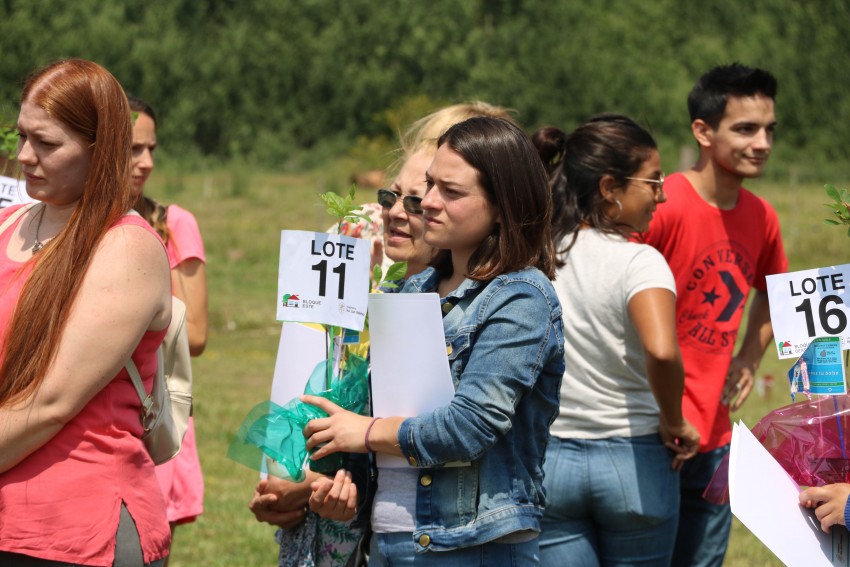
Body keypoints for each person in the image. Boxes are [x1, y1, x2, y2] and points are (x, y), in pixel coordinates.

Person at [249, 102, 516, 567]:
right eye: (394, 196)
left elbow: (462, 431)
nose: (399, 212)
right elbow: (291, 409)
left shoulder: (490, 302)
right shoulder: (351, 248)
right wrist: (293, 487)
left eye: (428, 196)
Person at [301, 116, 565, 566]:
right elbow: (390, 425)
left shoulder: (522, 296)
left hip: (471, 548)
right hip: (389, 541)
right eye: (430, 185)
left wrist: (362, 432)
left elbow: (471, 426)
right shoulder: (413, 288)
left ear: (503, 206)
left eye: (452, 192)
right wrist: (343, 489)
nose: (429, 202)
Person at [0, 59, 171, 566]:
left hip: (71, 531)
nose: (25, 156)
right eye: (21, 136)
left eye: (47, 143)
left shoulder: (125, 247)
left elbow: (51, 401)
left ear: (101, 150)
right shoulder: (10, 223)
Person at [533, 115, 699, 566]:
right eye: (653, 182)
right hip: (634, 461)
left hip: (551, 459)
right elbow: (662, 351)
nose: (660, 196)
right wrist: (673, 419)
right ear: (610, 188)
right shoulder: (640, 262)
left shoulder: (541, 255)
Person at [639, 63, 788, 566]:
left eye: (770, 129)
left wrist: (749, 355)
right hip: (647, 428)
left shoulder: (762, 216)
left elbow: (773, 292)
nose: (763, 142)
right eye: (746, 128)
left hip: (718, 435)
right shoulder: (662, 205)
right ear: (702, 131)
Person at [128, 96, 208, 558]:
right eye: (134, 149)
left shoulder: (174, 225)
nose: (147, 163)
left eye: (152, 149)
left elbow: (195, 334)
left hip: (154, 409)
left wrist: (154, 254)